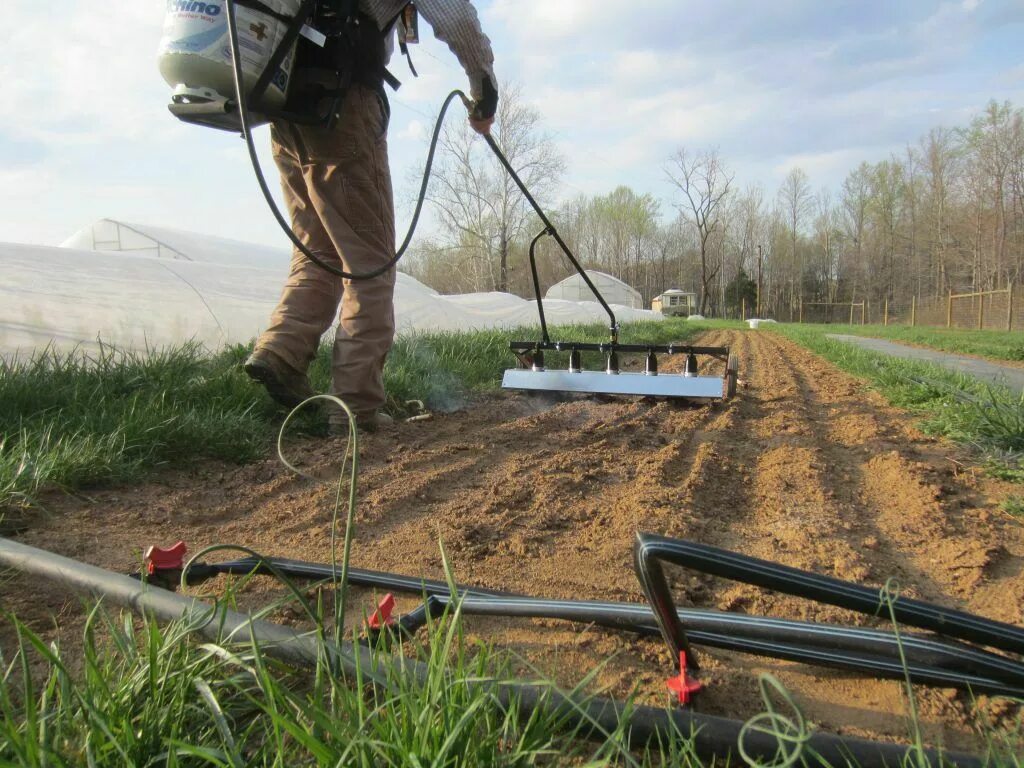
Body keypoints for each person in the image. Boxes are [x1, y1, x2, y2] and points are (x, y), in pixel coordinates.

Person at [244, 0, 498, 432]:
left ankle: (282, 351)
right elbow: (456, 16)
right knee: (370, 264)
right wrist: (483, 86)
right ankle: (355, 409)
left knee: (316, 251)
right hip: (341, 104)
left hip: (285, 104)